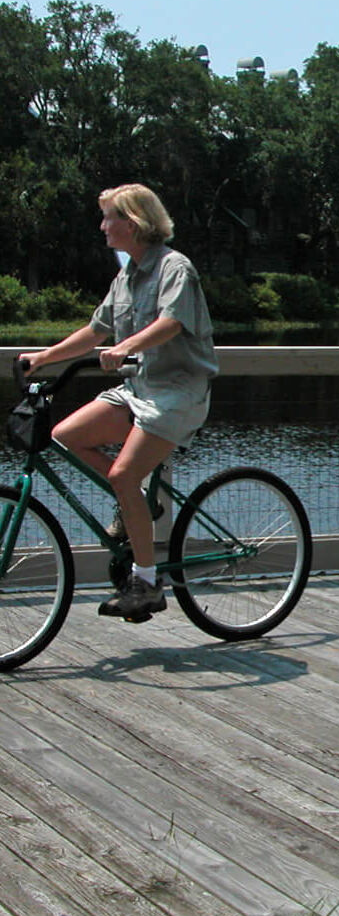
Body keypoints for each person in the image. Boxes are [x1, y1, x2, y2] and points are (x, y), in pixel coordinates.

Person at [20, 183, 218, 621]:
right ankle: (135, 506)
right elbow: (95, 332)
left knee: (126, 475)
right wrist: (43, 358)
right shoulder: (126, 274)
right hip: (140, 388)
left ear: (132, 222)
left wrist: (126, 346)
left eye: (109, 217)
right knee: (65, 435)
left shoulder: (174, 268)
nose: (102, 225)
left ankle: (146, 582)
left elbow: (170, 323)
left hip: (178, 393)